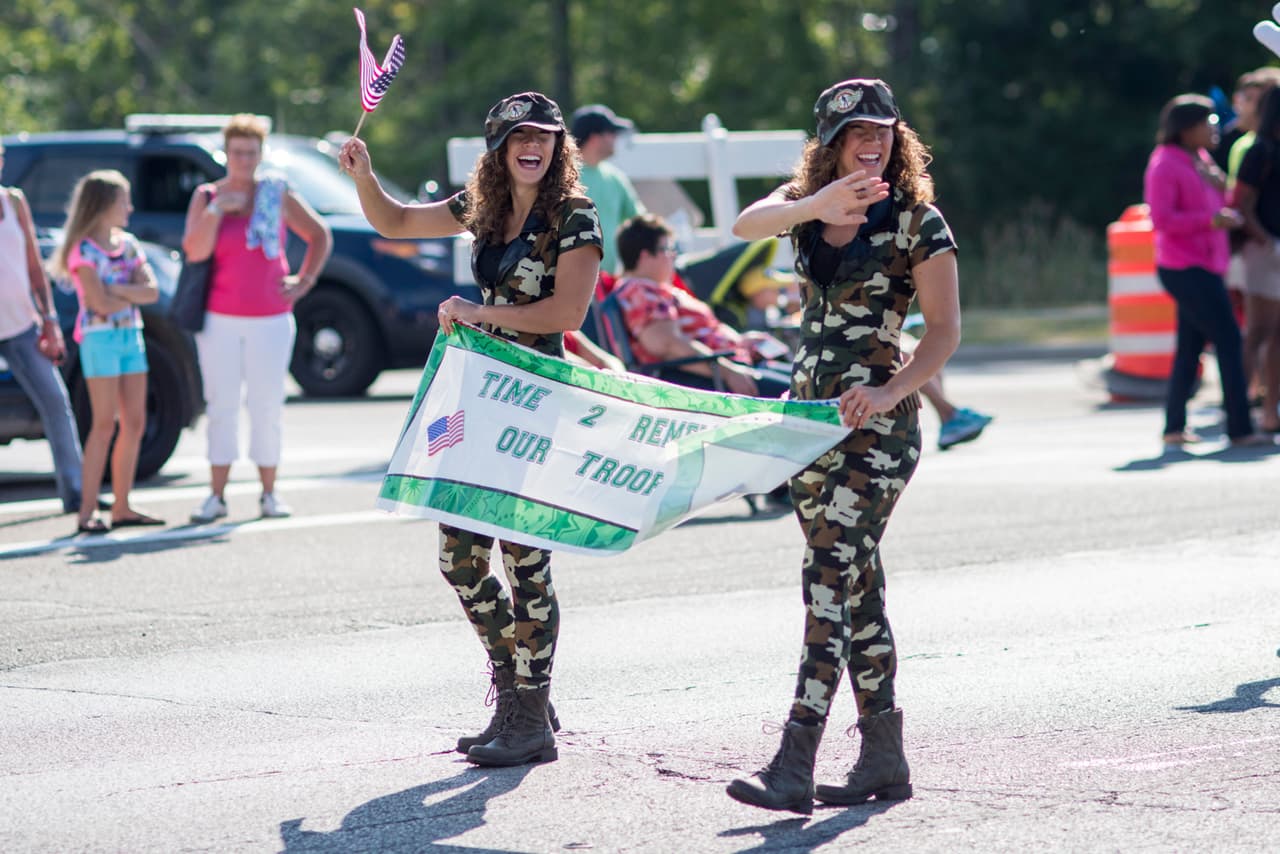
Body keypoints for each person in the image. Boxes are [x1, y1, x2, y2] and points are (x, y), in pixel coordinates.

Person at [338, 91, 603, 767]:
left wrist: (480, 315)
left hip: (537, 397)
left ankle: (529, 718)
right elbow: (395, 220)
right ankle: (522, 695)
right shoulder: (482, 203)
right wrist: (364, 175)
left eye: (544, 134)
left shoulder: (574, 214)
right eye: (520, 136)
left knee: (525, 559)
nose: (533, 144)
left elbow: (567, 314)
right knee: (459, 558)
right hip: (481, 393)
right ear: (499, 146)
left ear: (557, 145)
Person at [723, 78, 960, 814]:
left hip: (877, 429)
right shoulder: (807, 203)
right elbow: (744, 225)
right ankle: (884, 758)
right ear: (829, 143)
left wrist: (892, 391)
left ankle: (795, 759)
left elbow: (945, 332)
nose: (873, 141)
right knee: (857, 588)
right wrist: (813, 206)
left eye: (883, 130)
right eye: (857, 131)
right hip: (809, 424)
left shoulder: (918, 221)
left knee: (828, 578)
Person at [181, 114, 332, 524]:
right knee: (221, 406)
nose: (244, 160)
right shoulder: (207, 195)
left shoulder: (276, 193)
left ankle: (269, 493)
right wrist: (217, 211)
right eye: (236, 152)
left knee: (267, 405)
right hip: (219, 318)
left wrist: (304, 280)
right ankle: (216, 496)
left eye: (251, 152)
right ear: (225, 153)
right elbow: (194, 251)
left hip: (271, 316)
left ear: (261, 154)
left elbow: (319, 234)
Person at [1143, 95, 1269, 448]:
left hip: (1208, 264)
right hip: (1184, 266)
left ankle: (1174, 426)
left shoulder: (1198, 159)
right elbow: (1162, 219)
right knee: (1230, 340)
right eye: (1207, 122)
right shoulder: (1165, 164)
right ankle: (1240, 428)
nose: (1215, 128)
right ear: (1186, 128)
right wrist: (1210, 221)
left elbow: (1222, 201)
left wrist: (1220, 190)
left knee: (1190, 347)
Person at [51, 170, 161, 533]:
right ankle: (86, 511)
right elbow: (96, 302)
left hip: (132, 337)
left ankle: (123, 506)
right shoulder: (82, 250)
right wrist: (127, 290)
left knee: (135, 423)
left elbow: (152, 293)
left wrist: (116, 293)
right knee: (103, 425)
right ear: (101, 205)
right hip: (100, 341)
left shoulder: (128, 244)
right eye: (122, 201)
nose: (129, 208)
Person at [612, 213, 791, 397]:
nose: (673, 256)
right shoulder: (641, 291)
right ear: (645, 256)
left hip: (731, 368)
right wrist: (728, 372)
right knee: (806, 394)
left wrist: (739, 342)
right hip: (718, 381)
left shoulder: (649, 290)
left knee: (807, 384)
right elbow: (667, 344)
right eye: (667, 249)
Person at [0, 144, 85, 514]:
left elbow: (34, 266)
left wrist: (49, 317)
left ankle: (77, 492)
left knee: (56, 401)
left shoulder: (14, 202)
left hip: (21, 324)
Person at [1234, 85, 1280, 433]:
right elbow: (1242, 204)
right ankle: (1238, 413)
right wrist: (1268, 240)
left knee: (1278, 334)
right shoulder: (1259, 151)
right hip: (1263, 250)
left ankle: (1270, 411)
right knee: (1258, 331)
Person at [572, 104, 644, 274]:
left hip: (607, 282)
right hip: (569, 279)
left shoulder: (615, 178)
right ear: (595, 138)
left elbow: (639, 221)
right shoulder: (563, 176)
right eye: (612, 133)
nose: (615, 138)